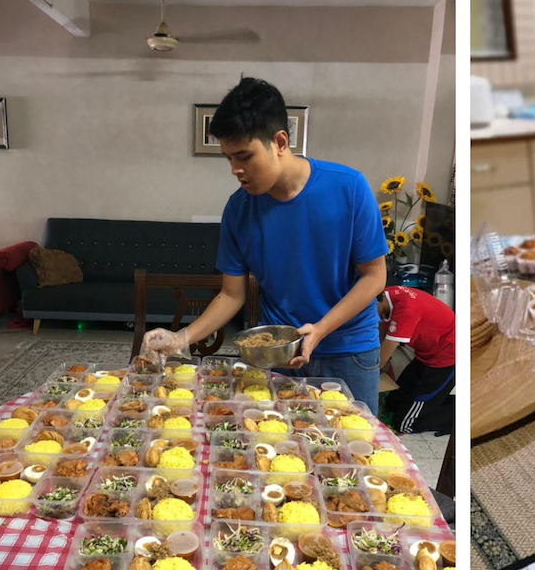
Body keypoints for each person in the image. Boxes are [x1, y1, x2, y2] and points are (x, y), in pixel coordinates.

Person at [143, 78, 388, 414]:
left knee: (356, 456)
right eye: (228, 158)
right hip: (278, 354)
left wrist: (321, 329)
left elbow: (374, 277)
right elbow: (231, 295)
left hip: (348, 350)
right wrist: (182, 338)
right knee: (278, 451)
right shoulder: (238, 209)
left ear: (280, 142)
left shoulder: (348, 188)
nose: (235, 170)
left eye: (244, 156)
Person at [378, 286, 455, 434]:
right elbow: (382, 331)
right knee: (392, 402)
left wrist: (367, 374)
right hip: (425, 352)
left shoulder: (406, 310)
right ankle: (434, 403)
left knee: (405, 423)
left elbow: (384, 354)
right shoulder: (383, 295)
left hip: (447, 356)